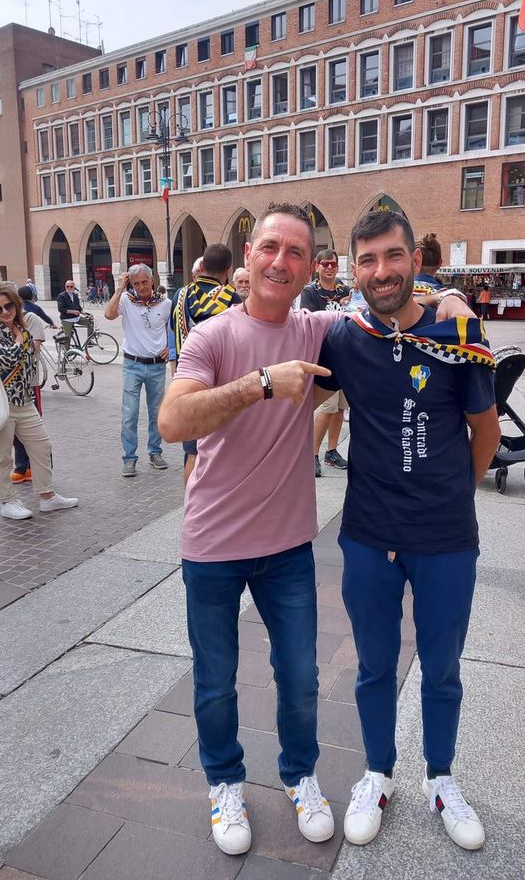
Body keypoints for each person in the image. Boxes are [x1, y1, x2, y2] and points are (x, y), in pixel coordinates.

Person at [158, 203, 472, 856]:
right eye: (270, 246)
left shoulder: (319, 329)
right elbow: (172, 423)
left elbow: (388, 302)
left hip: (287, 547)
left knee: (300, 678)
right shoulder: (210, 337)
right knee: (215, 679)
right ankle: (225, 785)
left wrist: (448, 295)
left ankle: (300, 776)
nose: (280, 261)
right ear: (248, 256)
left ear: (312, 268)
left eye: (296, 252)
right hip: (212, 546)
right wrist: (256, 386)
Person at [314, 210, 499, 852]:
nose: (382, 271)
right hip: (367, 533)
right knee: (373, 664)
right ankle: (378, 772)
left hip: (445, 537)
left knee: (443, 666)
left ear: (414, 259)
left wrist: (448, 497)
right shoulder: (343, 339)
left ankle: (442, 779)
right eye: (367, 260)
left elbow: (487, 431)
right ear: (351, 267)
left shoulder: (458, 333)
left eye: (392, 257)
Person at [0, 282, 78, 520]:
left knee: (42, 446)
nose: (5, 312)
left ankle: (47, 496)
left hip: (22, 399)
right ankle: (7, 501)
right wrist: (19, 340)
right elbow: (8, 359)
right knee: (1, 456)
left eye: (9, 306)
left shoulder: (21, 328)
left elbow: (29, 364)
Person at [170, 245, 240, 485]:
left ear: (201, 268)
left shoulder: (180, 295)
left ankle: (191, 509)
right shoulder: (232, 297)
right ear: (228, 270)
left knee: (192, 453)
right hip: (221, 384)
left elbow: (172, 331)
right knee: (222, 453)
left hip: (186, 382)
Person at [104, 264, 171, 476]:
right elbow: (108, 314)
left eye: (144, 282)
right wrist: (119, 289)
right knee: (129, 413)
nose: (141, 287)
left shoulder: (166, 304)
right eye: (136, 283)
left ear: (152, 281)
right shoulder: (125, 300)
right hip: (132, 364)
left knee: (155, 412)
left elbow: (173, 330)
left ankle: (154, 452)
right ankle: (129, 458)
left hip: (156, 366)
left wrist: (171, 347)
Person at [300, 249, 350, 477]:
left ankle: (331, 450)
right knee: (325, 408)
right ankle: (312, 454)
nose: (330, 268)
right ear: (317, 266)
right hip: (324, 355)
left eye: (333, 264)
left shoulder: (345, 290)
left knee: (339, 407)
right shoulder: (311, 292)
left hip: (345, 355)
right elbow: (310, 323)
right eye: (325, 264)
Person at [11, 285, 54, 483]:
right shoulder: (1, 323)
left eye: (8, 304)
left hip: (29, 382)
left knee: (34, 427)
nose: (5, 310)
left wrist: (14, 345)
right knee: (13, 427)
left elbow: (33, 350)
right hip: (9, 385)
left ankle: (38, 467)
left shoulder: (30, 319)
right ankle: (22, 466)